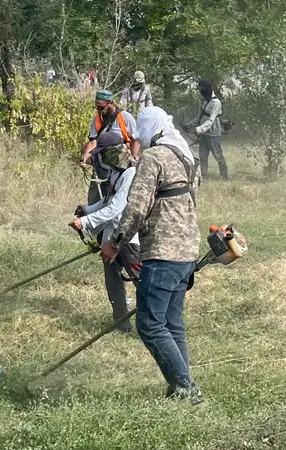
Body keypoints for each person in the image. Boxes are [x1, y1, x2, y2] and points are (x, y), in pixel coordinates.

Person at [100, 106, 204, 405]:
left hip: (163, 251)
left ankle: (187, 389)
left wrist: (115, 243)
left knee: (149, 324)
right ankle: (179, 387)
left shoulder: (154, 157)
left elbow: (136, 206)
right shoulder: (185, 157)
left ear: (149, 129)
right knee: (171, 322)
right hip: (186, 252)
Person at [70, 132, 140, 333]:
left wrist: (85, 221)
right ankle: (121, 324)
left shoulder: (131, 174)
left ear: (116, 151)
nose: (102, 158)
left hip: (128, 237)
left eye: (105, 153)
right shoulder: (116, 171)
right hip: (111, 235)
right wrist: (88, 209)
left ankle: (153, 324)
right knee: (113, 281)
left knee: (141, 282)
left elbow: (116, 208)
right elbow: (108, 201)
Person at [81, 90, 140, 205]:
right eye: (97, 107)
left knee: (116, 199)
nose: (99, 110)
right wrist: (84, 158)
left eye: (101, 107)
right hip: (101, 165)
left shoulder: (126, 118)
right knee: (94, 199)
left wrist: (133, 157)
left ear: (110, 103)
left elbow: (135, 139)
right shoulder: (96, 120)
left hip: (120, 166)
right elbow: (93, 142)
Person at [183, 79, 228, 180]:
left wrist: (198, 130)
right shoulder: (203, 100)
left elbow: (210, 121)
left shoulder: (216, 103)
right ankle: (203, 176)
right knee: (202, 156)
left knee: (218, 155)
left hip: (213, 133)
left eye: (201, 89)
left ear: (206, 89)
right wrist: (188, 125)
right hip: (203, 134)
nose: (200, 91)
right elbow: (198, 117)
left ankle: (224, 175)